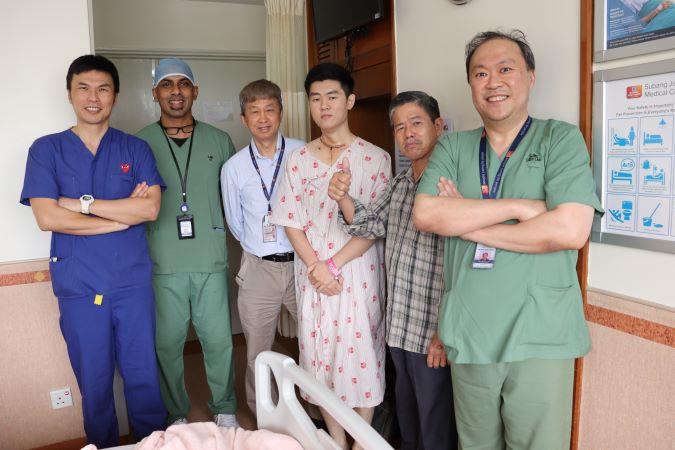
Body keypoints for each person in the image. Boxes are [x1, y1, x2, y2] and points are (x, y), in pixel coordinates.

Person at [413, 30, 603, 450]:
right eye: (480, 73)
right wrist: (522, 207)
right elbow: (426, 213)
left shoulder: (560, 139)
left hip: (540, 334)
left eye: (505, 69)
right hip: (469, 330)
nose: (493, 82)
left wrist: (466, 222)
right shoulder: (454, 147)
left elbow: (570, 230)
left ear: (530, 76)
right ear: (471, 86)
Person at [19, 54, 166, 448]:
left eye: (103, 88)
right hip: (80, 286)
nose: (93, 97)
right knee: (95, 382)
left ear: (115, 96)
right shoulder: (46, 149)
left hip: (131, 283)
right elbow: (48, 217)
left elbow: (149, 208)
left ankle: (152, 443)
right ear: (70, 93)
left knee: (143, 377)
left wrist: (80, 204)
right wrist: (118, 220)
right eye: (83, 87)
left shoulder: (135, 149)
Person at [270, 62, 391, 450]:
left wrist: (332, 265)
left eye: (332, 97)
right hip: (313, 275)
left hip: (355, 274)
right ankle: (336, 443)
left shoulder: (374, 159)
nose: (323, 105)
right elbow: (290, 219)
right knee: (320, 360)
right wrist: (316, 267)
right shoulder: (299, 159)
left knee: (361, 361)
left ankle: (360, 444)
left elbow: (374, 226)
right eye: (316, 98)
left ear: (350, 101)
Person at [328, 91, 458, 450]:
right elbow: (367, 224)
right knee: (409, 422)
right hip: (398, 328)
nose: (407, 134)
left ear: (438, 126)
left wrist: (445, 331)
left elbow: (463, 267)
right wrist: (343, 197)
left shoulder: (451, 188)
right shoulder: (400, 185)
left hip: (432, 333)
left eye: (416, 124)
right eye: (399, 128)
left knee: (436, 428)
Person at [136, 58, 237, 428]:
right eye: (167, 84)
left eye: (183, 84)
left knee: (219, 341)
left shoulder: (219, 141)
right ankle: (176, 412)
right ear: (155, 94)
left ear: (195, 91)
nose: (175, 91)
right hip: (162, 260)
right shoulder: (139, 143)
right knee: (167, 345)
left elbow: (234, 200)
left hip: (209, 258)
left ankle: (225, 408)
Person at [221, 79, 304, 416]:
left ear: (281, 113)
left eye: (270, 109)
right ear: (244, 119)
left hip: (303, 263)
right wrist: (262, 244)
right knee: (258, 351)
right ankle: (264, 415)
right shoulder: (234, 168)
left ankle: (316, 410)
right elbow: (235, 223)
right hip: (258, 267)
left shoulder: (303, 153)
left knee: (316, 341)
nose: (263, 117)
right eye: (254, 111)